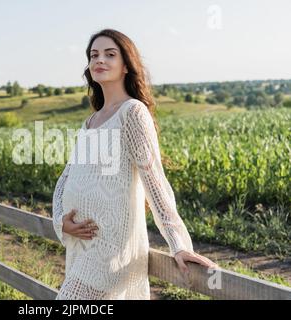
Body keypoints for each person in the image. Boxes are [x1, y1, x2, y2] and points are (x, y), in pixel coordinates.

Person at [52, 28, 218, 300]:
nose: (99, 60)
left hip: (111, 252)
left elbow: (155, 183)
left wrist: (178, 244)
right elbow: (65, 180)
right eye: (94, 55)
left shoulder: (132, 113)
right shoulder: (90, 122)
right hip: (82, 248)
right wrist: (61, 223)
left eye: (110, 54)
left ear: (126, 65)